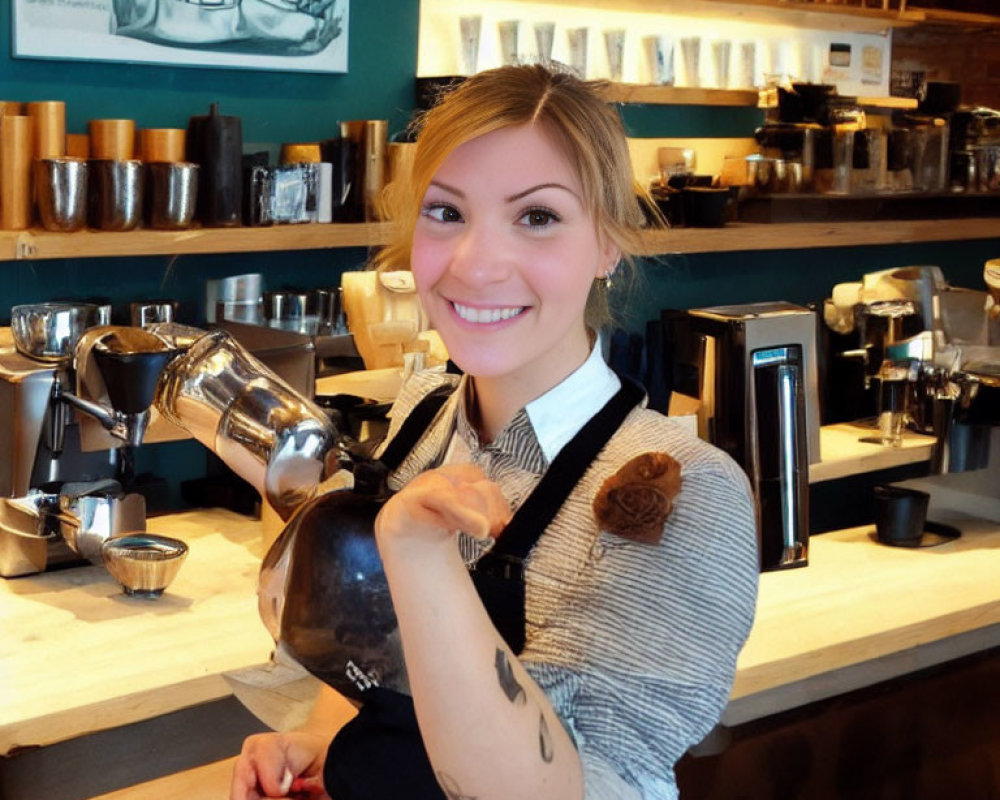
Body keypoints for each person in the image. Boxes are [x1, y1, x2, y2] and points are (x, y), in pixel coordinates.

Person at [230, 63, 758, 800]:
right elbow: (380, 654)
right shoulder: (424, 412)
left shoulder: (685, 490)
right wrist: (320, 743)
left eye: (536, 217)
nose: (475, 266)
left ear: (608, 244)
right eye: (446, 213)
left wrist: (419, 555)